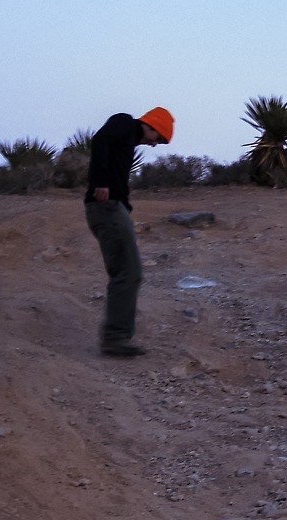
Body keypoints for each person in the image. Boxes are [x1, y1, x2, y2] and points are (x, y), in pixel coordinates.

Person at [84, 107, 174, 357]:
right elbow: (99, 139)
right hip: (107, 206)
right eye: (159, 138)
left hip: (112, 207)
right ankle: (115, 337)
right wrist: (101, 182)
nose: (155, 145)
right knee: (129, 271)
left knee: (127, 271)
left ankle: (116, 336)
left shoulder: (128, 140)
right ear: (152, 125)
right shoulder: (125, 122)